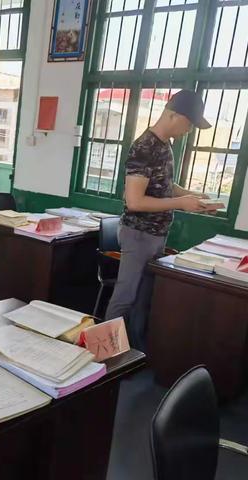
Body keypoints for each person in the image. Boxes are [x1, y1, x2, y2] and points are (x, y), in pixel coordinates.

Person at [104, 90, 212, 351]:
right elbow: (135, 201)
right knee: (126, 296)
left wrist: (191, 196)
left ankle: (135, 351)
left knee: (143, 297)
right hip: (138, 233)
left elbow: (164, 185)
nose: (189, 130)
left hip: (156, 234)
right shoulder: (144, 147)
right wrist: (181, 203)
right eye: (189, 124)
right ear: (172, 114)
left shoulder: (165, 145)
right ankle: (104, 353)